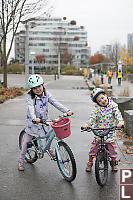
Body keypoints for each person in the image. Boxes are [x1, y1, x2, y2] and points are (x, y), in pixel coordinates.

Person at [18, 74, 73, 171]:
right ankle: (21, 160)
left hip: (45, 120)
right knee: (26, 142)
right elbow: (31, 108)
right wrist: (34, 118)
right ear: (31, 90)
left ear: (43, 84)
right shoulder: (31, 97)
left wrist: (66, 110)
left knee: (50, 135)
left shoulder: (47, 94)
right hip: (33, 123)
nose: (38, 89)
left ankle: (48, 148)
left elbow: (55, 102)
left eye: (39, 86)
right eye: (34, 88)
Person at [82, 88, 124, 172]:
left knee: (112, 149)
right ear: (97, 103)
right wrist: (87, 125)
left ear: (105, 95)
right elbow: (92, 117)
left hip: (110, 131)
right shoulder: (97, 108)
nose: (102, 101)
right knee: (94, 148)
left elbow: (117, 114)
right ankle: (90, 162)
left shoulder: (113, 105)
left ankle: (113, 162)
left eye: (102, 98)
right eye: (99, 101)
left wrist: (120, 122)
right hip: (99, 131)